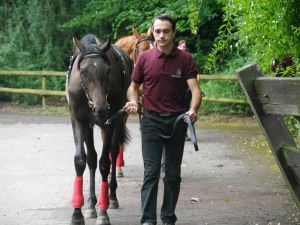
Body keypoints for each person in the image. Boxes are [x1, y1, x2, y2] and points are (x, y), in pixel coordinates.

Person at [124, 13, 201, 225]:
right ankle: (148, 220)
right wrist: (133, 101)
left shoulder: (185, 59)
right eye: (157, 31)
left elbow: (195, 90)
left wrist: (193, 110)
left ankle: (168, 218)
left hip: (177, 122)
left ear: (173, 33)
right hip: (150, 122)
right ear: (153, 33)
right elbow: (133, 87)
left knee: (173, 175)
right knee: (151, 173)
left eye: (166, 31)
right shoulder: (144, 58)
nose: (161, 35)